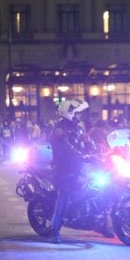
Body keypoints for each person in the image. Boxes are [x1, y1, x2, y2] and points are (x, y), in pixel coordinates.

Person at [49, 99, 90, 244]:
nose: (80, 116)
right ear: (69, 113)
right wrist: (79, 154)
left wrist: (99, 149)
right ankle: (55, 231)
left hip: (78, 167)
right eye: (77, 113)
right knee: (64, 197)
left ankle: (100, 223)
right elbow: (65, 147)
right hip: (64, 169)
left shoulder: (78, 127)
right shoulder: (59, 129)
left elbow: (86, 142)